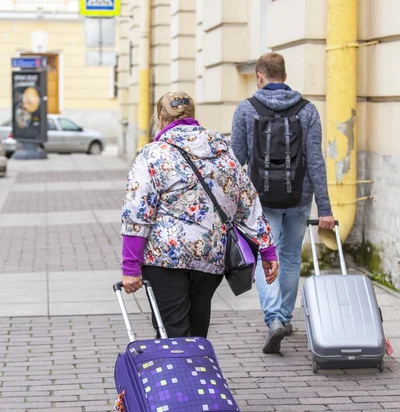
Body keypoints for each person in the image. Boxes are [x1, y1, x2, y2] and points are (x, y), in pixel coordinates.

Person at [120, 91, 279, 339]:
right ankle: (197, 373)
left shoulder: (153, 154)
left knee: (172, 333)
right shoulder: (220, 150)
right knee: (197, 330)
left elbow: (137, 213)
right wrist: (267, 249)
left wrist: (130, 267)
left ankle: (181, 376)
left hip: (165, 259)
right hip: (210, 257)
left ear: (161, 118)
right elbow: (248, 201)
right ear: (192, 116)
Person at [231, 53, 335, 354]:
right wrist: (325, 208)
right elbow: (316, 161)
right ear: (285, 77)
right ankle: (285, 318)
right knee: (290, 258)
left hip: (261, 201)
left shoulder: (245, 109)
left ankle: (274, 318)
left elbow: (236, 161)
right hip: (299, 197)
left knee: (268, 255)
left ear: (259, 76)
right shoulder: (308, 111)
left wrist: (233, 205)